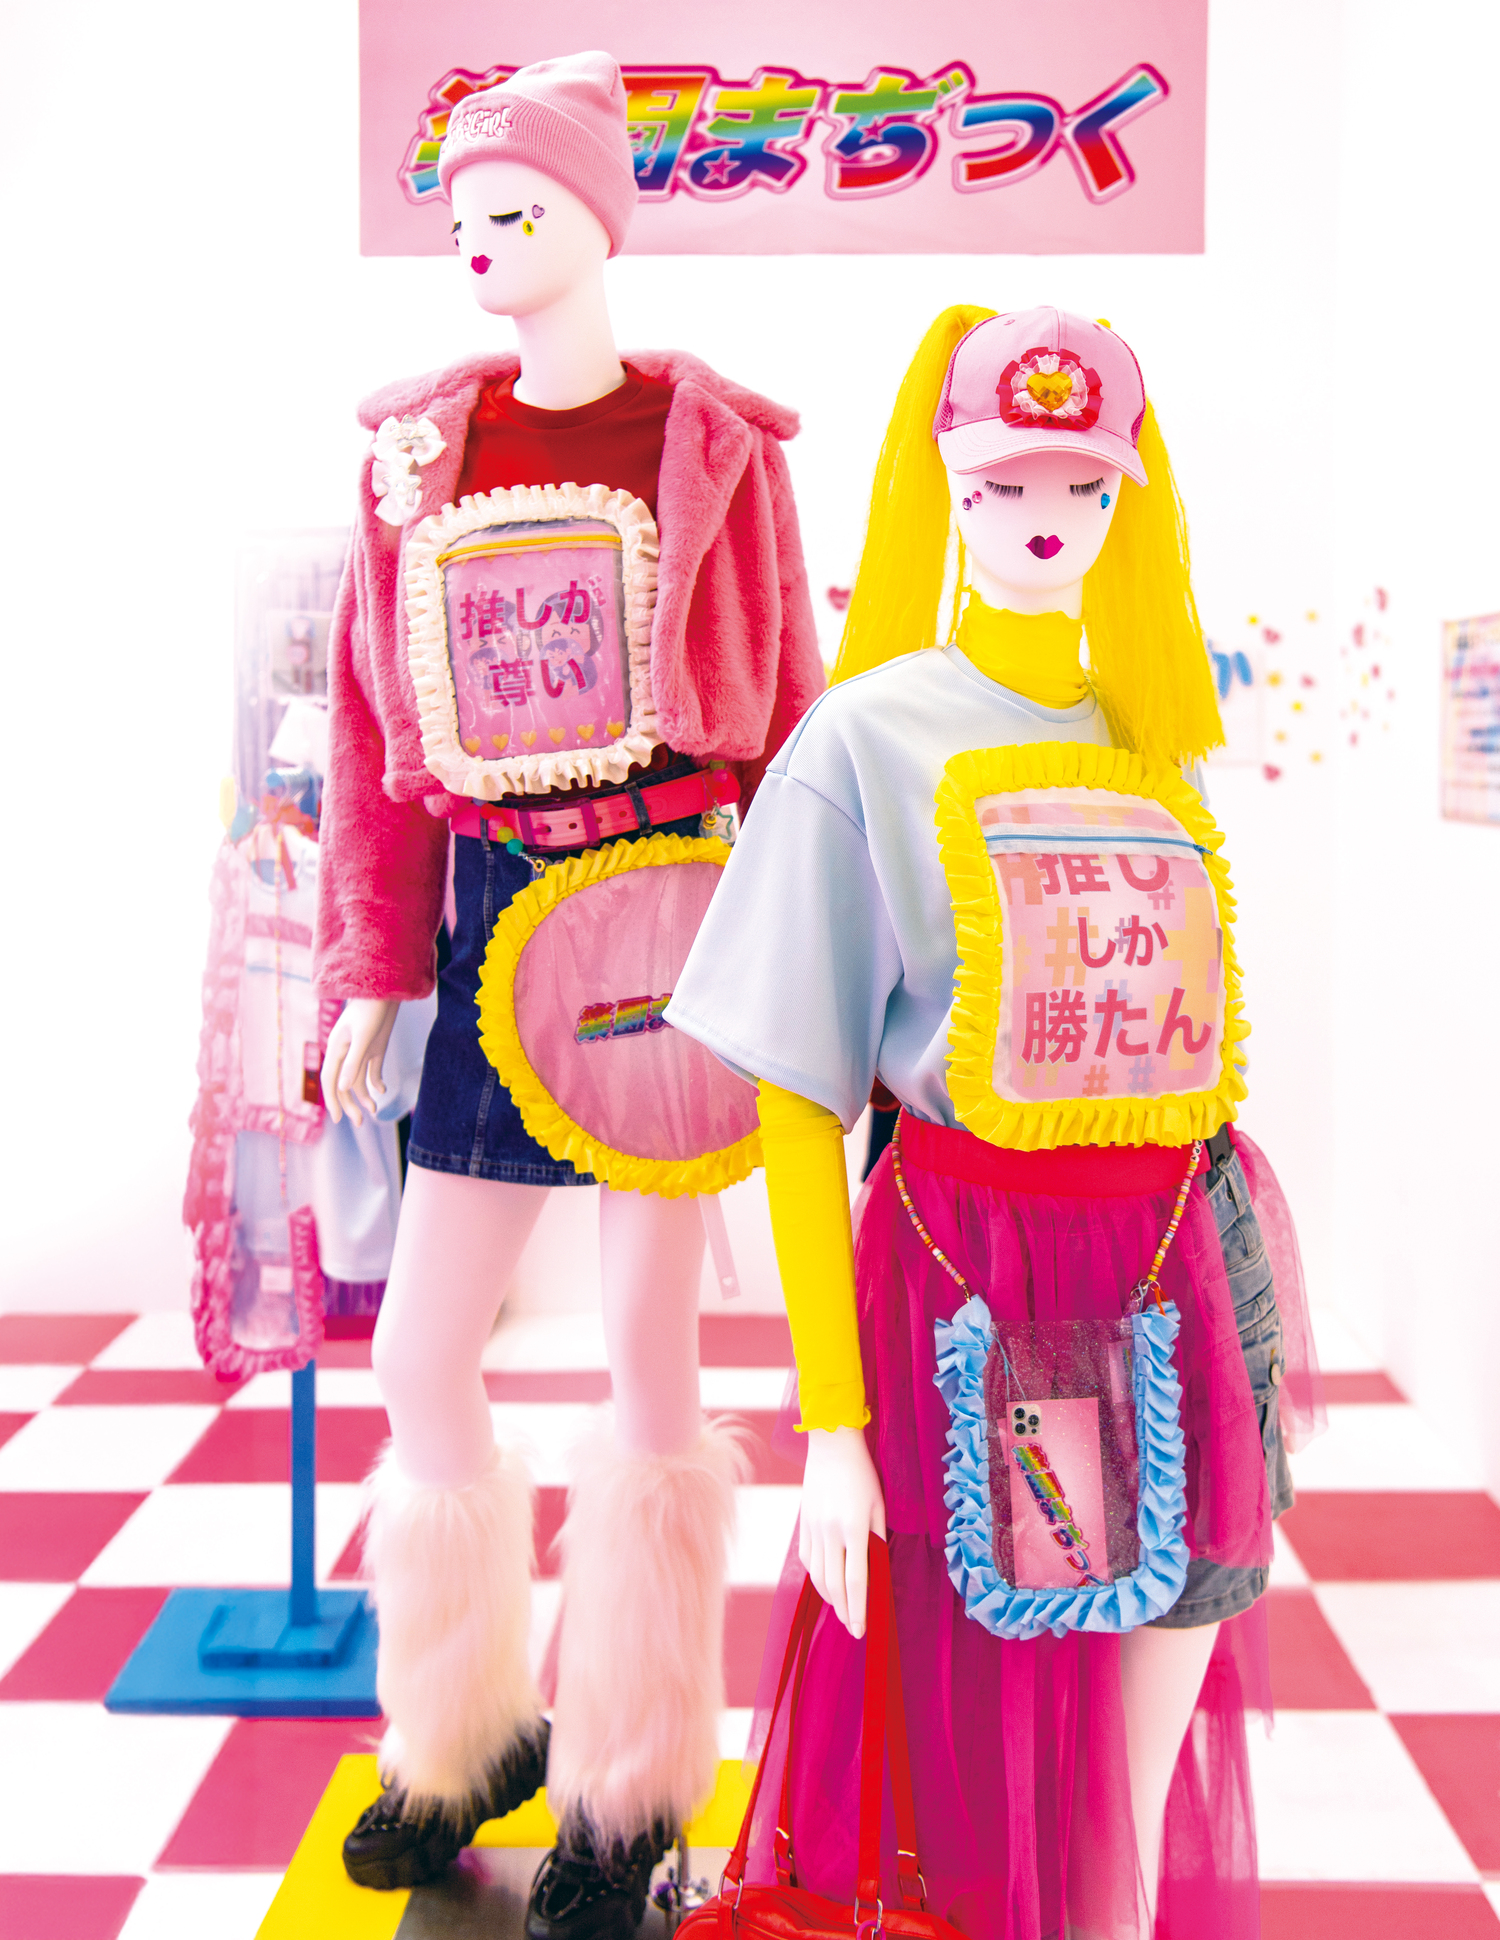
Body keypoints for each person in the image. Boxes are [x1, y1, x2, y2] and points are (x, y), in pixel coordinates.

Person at [668, 306, 1321, 1939]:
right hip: (980, 1295)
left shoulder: (1152, 733)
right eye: (1002, 484)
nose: (1047, 519)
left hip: (1181, 1263)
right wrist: (830, 1424)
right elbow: (798, 1095)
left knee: (1127, 1801)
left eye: (1086, 487)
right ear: (945, 491)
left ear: (1128, 504)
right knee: (987, 1765)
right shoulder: (864, 738)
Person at [313, 53, 822, 1940]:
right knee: (416, 1352)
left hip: (672, 914)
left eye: (519, 205)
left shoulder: (716, 447)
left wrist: (807, 978)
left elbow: (792, 723)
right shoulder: (414, 453)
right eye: (462, 215)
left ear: (602, 217)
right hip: (489, 914)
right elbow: (374, 739)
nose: (486, 239)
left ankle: (633, 1789)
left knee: (651, 1360)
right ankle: (465, 1738)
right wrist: (375, 968)